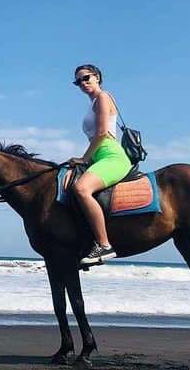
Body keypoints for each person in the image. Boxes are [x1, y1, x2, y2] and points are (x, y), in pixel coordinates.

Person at [68, 64, 132, 265]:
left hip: (111, 156)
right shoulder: (93, 102)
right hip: (99, 155)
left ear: (97, 76)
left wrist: (84, 159)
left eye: (86, 78)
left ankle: (104, 245)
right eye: (78, 81)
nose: (83, 83)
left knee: (81, 189)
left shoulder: (103, 97)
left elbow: (102, 133)